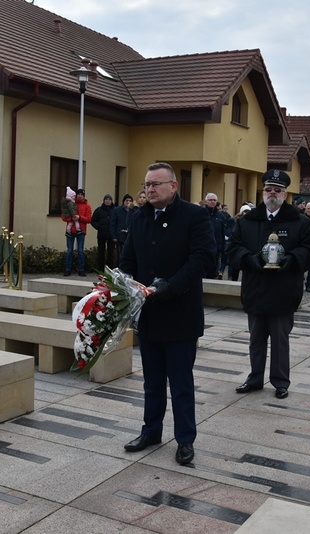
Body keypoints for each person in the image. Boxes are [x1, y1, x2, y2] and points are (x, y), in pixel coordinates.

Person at [120, 162, 215, 465]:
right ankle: (151, 431)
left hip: (180, 315)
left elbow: (203, 258)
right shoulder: (139, 217)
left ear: (173, 186)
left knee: (181, 383)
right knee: (152, 381)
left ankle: (185, 439)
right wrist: (124, 283)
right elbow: (128, 259)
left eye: (156, 184)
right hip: (149, 315)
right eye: (147, 184)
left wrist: (171, 287)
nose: (149, 189)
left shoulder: (194, 215)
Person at [226, 169, 310, 400]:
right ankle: (254, 378)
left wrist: (292, 259)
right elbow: (233, 249)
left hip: (283, 291)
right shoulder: (247, 221)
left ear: (285, 194)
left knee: (279, 341)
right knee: (256, 340)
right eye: (268, 189)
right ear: (263, 192)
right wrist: (250, 259)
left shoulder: (299, 222)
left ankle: (280, 382)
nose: (272, 193)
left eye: (278, 190)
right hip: (255, 289)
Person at [61, 188, 91, 276]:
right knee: (69, 251)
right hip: (70, 231)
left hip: (81, 231)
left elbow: (89, 219)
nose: (80, 196)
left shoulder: (87, 206)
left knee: (80, 251)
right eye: (78, 194)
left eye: (81, 194)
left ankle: (81, 269)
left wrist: (80, 218)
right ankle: (67, 269)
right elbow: (63, 216)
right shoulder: (70, 203)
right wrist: (71, 219)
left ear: (84, 196)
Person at [204, 192, 227, 279]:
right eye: (210, 200)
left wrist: (223, 248)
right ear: (206, 201)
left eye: (214, 200)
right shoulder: (201, 214)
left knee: (212, 271)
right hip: (203, 247)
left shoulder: (221, 216)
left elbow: (223, 232)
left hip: (216, 248)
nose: (212, 202)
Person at [90, 193, 115, 270]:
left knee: (111, 253)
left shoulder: (115, 210)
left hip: (111, 235)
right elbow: (93, 221)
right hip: (101, 234)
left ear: (111, 201)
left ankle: (110, 269)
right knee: (101, 252)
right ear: (104, 201)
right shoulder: (98, 210)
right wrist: (99, 227)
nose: (108, 201)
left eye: (109, 199)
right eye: (106, 199)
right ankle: (100, 269)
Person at [109, 194, 133, 262]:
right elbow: (113, 224)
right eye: (126, 200)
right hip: (120, 236)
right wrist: (114, 236)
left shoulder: (134, 210)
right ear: (123, 201)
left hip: (130, 236)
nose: (128, 202)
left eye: (130, 201)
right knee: (120, 254)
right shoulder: (117, 210)